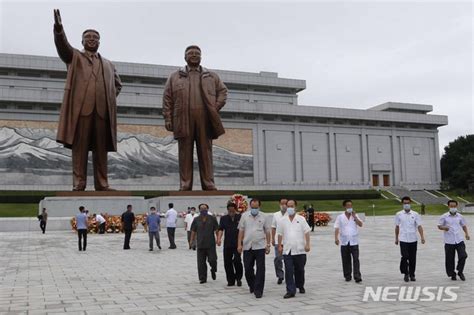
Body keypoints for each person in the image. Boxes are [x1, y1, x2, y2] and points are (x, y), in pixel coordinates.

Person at [52, 9, 122, 191]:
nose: (92, 39)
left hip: (102, 113)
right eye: (88, 37)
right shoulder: (75, 57)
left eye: (95, 37)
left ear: (99, 42)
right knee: (80, 149)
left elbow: (118, 85)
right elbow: (63, 48)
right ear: (82, 41)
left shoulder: (108, 64)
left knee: (101, 150)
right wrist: (59, 30)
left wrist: (108, 99)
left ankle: (102, 183)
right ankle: (79, 183)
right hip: (81, 111)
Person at [162, 45, 228, 191]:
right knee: (184, 153)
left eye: (197, 53)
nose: (194, 55)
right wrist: (168, 118)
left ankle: (208, 183)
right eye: (190, 53)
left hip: (205, 119)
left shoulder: (211, 76)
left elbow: (223, 92)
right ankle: (185, 183)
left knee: (206, 152)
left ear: (201, 57)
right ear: (185, 57)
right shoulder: (175, 76)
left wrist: (215, 107)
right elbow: (167, 98)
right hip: (183, 119)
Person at [277, 200, 311, 299]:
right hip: (288, 250)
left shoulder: (301, 219)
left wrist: (308, 244)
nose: (290, 208)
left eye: (292, 206)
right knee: (288, 270)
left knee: (300, 270)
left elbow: (307, 232)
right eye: (288, 206)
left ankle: (300, 285)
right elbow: (279, 233)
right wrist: (279, 245)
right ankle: (290, 291)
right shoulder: (282, 220)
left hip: (300, 250)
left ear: (295, 207)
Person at [237, 198, 271, 298]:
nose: (254, 209)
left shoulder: (264, 216)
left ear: (259, 207)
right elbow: (241, 231)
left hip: (260, 246)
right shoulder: (244, 216)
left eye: (256, 207)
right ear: (250, 206)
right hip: (247, 246)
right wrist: (239, 244)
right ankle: (252, 285)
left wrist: (268, 245)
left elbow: (267, 231)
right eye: (252, 207)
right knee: (247, 268)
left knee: (261, 269)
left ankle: (258, 290)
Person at [437, 200, 470, 281]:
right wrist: (444, 228)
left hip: (459, 240)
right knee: (449, 259)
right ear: (448, 206)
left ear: (456, 206)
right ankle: (452, 274)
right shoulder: (444, 216)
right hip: (449, 241)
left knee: (463, 255)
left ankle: (460, 271)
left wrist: (466, 233)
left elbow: (463, 225)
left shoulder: (460, 216)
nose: (453, 208)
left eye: (454, 206)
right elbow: (439, 226)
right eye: (451, 206)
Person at [395, 196, 425, 282]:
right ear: (402, 204)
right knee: (404, 256)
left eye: (408, 203)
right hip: (403, 239)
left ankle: (412, 274)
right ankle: (405, 272)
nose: (406, 205)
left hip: (413, 239)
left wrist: (422, 237)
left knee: (412, 258)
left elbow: (419, 226)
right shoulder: (399, 214)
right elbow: (397, 227)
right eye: (405, 203)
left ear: (410, 203)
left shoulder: (415, 214)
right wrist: (396, 238)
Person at [334, 199, 363, 283]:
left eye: (351, 206)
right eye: (348, 206)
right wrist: (336, 238)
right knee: (345, 259)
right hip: (344, 241)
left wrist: (355, 217)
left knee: (356, 259)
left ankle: (357, 276)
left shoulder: (355, 215)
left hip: (354, 241)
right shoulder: (340, 217)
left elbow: (361, 224)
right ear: (344, 206)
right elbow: (336, 227)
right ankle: (347, 275)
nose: (350, 207)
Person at [190, 204, 219, 284]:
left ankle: (213, 269)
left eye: (205, 208)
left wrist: (218, 239)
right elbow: (193, 231)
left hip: (210, 244)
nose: (203, 210)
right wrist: (191, 241)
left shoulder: (212, 218)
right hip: (200, 244)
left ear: (208, 209)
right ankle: (202, 278)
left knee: (212, 260)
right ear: (199, 210)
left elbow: (216, 229)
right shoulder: (196, 219)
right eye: (202, 209)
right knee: (201, 263)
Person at [217, 203, 243, 287]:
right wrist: (219, 239)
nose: (231, 212)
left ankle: (238, 278)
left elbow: (243, 230)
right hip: (228, 243)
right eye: (229, 210)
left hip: (238, 243)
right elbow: (221, 229)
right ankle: (230, 280)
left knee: (237, 260)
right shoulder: (224, 218)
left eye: (232, 210)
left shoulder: (240, 217)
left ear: (235, 210)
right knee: (227, 262)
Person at [271, 198, 288, 285]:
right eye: (282, 204)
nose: (284, 205)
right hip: (278, 241)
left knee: (288, 259)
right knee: (278, 259)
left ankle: (290, 275)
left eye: (285, 203)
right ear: (279, 204)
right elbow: (273, 227)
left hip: (288, 241)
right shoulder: (276, 215)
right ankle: (280, 275)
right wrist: (273, 238)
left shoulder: (291, 214)